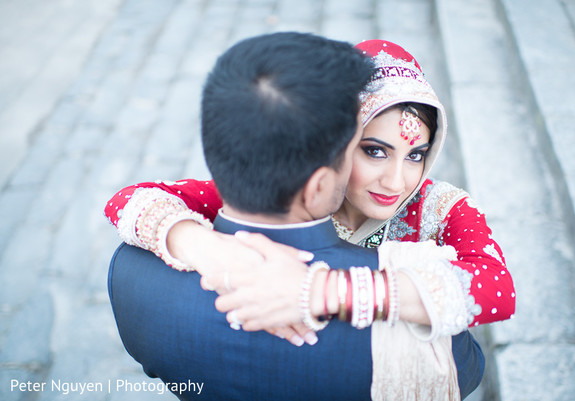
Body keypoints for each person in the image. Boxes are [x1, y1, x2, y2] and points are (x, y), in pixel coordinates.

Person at [108, 32, 484, 400]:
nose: (397, 180)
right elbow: (467, 369)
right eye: (371, 150)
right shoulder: (411, 334)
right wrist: (207, 249)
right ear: (327, 166)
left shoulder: (129, 271)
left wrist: (318, 290)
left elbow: (494, 286)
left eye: (416, 155)